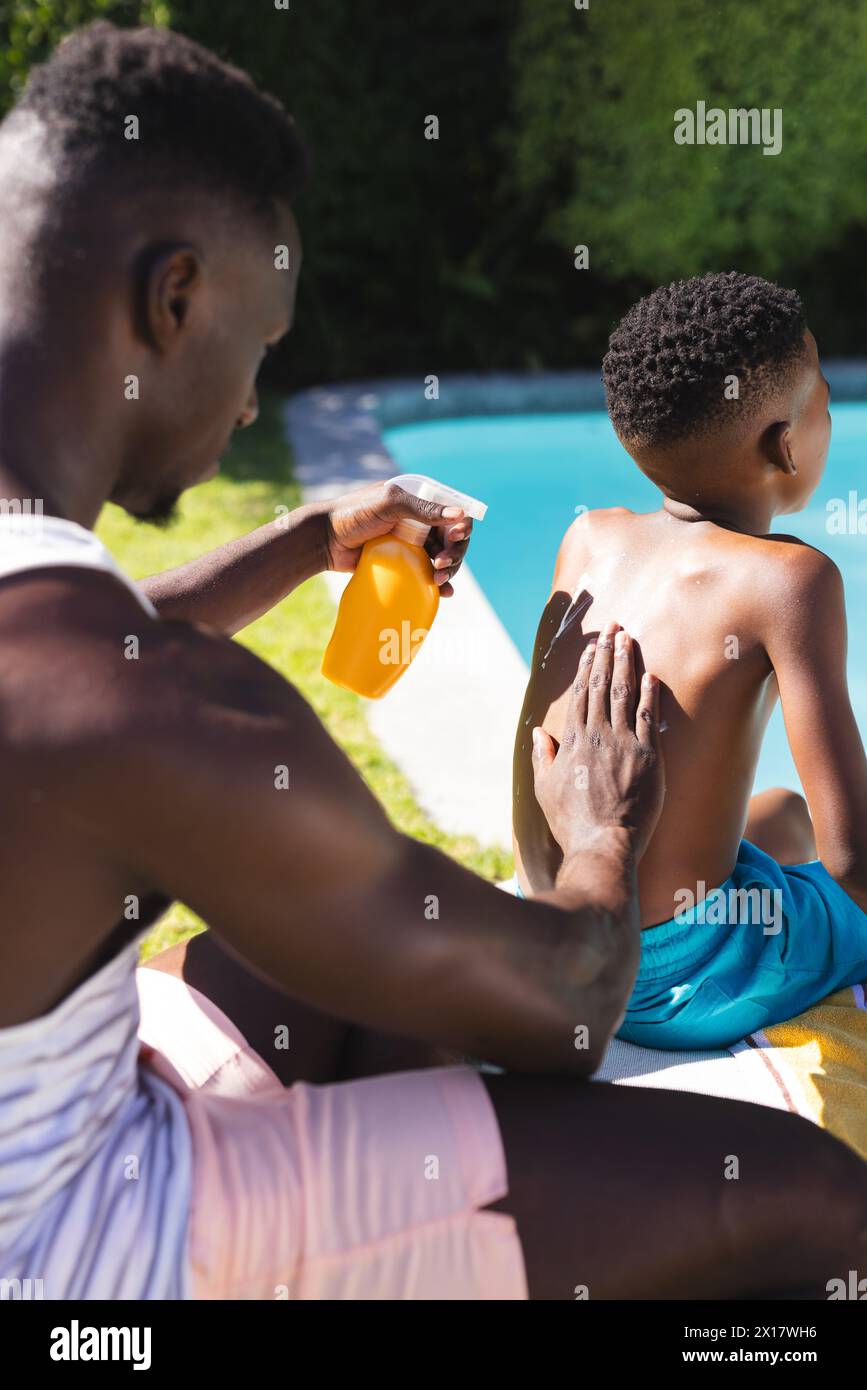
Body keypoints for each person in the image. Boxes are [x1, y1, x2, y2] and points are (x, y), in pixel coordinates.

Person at [0, 25, 864, 1301]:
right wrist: (602, 832)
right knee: (810, 1194)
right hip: (90, 1254)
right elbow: (567, 1011)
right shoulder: (169, 719)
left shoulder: (72, 643)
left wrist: (305, 540)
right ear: (174, 299)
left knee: (381, 994)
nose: (249, 405)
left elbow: (85, 634)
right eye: (263, 341)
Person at [513, 272, 867, 1050]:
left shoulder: (590, 538)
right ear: (782, 443)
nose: (831, 417)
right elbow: (853, 861)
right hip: (681, 978)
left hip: (557, 922)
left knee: (782, 811)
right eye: (824, 403)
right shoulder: (789, 580)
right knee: (826, 871)